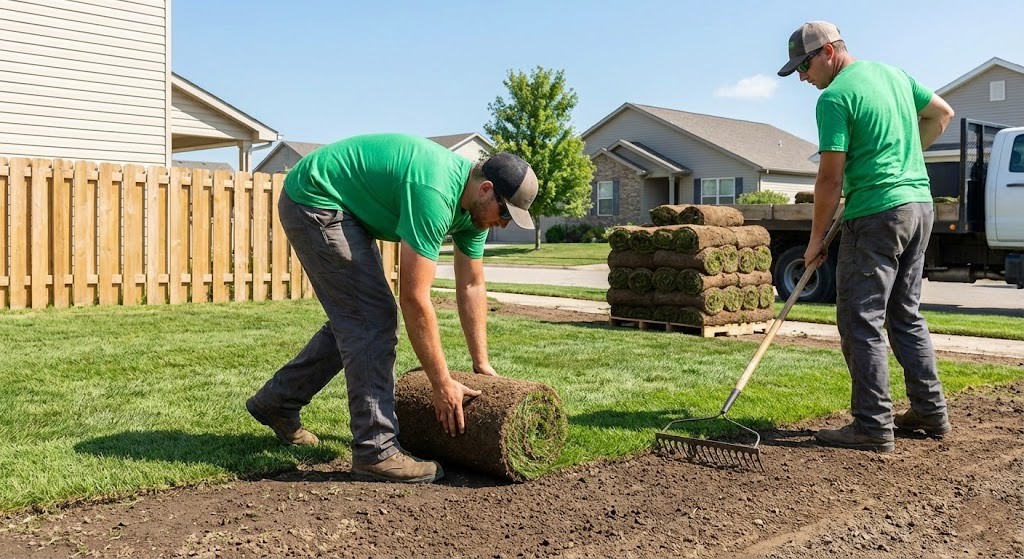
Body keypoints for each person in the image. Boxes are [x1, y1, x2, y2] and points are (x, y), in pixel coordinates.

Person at [246, 134, 538, 482]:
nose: (503, 224)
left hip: (346, 204)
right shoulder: (436, 192)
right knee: (371, 319)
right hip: (316, 195)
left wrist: (481, 364)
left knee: (358, 316)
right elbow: (415, 298)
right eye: (505, 213)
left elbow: (472, 286)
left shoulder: (475, 213)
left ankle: (278, 402)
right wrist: (441, 382)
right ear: (486, 189)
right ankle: (376, 450)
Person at [778, 22, 955, 452]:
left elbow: (829, 179)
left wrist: (815, 240)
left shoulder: (835, 98)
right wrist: (901, 159)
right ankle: (930, 413)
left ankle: (872, 426)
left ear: (827, 52)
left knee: (861, 318)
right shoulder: (894, 76)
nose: (802, 77)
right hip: (919, 206)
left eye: (803, 66)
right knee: (904, 313)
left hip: (876, 214)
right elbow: (942, 114)